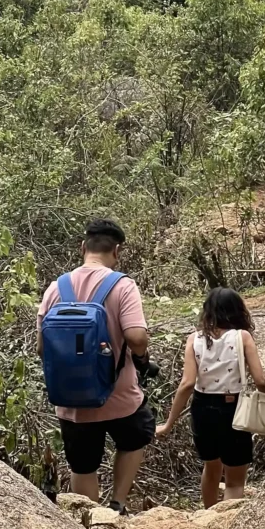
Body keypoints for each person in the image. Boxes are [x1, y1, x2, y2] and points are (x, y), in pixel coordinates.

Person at [37, 219, 155, 511]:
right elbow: (137, 336)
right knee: (135, 437)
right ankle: (117, 505)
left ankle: (90, 522)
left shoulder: (56, 288)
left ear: (82, 247)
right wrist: (140, 355)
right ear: (117, 250)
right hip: (119, 396)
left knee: (82, 465)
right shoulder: (122, 286)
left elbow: (42, 347)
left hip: (72, 402)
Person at [156, 287, 265, 508]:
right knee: (235, 481)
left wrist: (169, 424)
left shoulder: (194, 339)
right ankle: (225, 528)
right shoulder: (242, 337)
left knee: (211, 468)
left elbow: (187, 383)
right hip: (234, 408)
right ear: (238, 311)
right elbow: (261, 380)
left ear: (208, 312)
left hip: (202, 409)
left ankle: (208, 517)